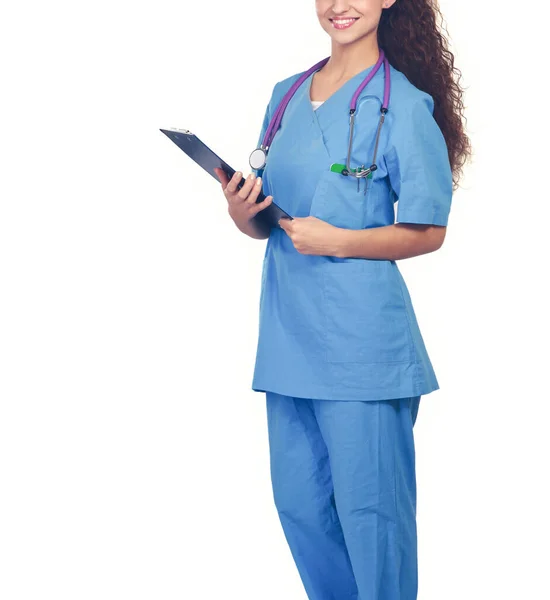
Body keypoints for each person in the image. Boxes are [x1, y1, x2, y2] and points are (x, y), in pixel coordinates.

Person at [215, 0, 470, 598]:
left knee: (371, 522)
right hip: (288, 339)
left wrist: (342, 240)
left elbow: (429, 230)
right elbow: (267, 224)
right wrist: (240, 211)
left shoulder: (403, 106)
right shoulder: (285, 96)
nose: (339, 5)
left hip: (363, 352)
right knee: (302, 511)